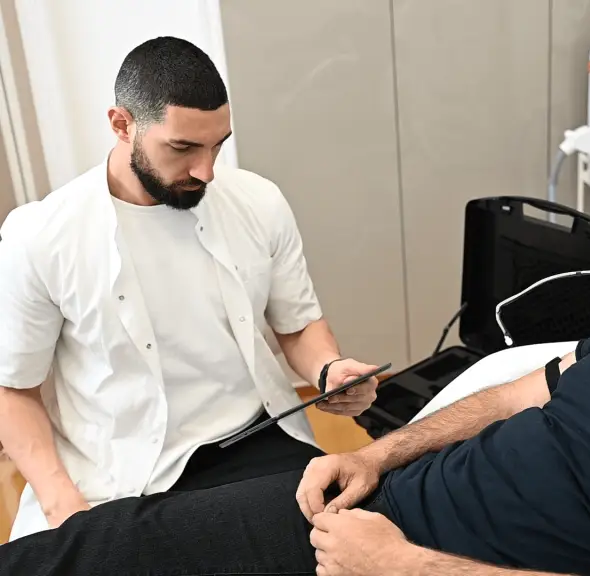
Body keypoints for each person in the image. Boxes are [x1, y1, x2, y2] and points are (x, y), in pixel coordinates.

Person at [0, 161, 590, 575]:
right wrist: (381, 457)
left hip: (414, 565)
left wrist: (401, 568)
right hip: (371, 511)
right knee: (116, 543)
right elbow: (511, 396)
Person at [0, 36, 380, 540]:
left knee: (355, 543)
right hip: (122, 475)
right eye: (182, 148)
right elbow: (13, 388)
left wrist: (328, 369)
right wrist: (61, 504)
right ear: (121, 124)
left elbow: (298, 324)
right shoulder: (42, 237)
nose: (206, 171)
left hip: (256, 440)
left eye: (217, 145)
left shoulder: (258, 202)